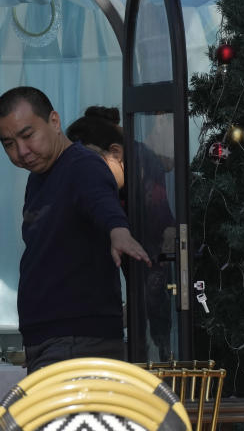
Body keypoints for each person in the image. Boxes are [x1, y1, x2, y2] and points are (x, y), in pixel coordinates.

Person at [0, 87, 151, 372]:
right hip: (50, 338)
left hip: (78, 341)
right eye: (8, 144)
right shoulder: (38, 177)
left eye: (28, 136)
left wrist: (118, 230)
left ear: (54, 121)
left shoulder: (83, 164)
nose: (21, 152)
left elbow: (101, 201)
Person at [66, 106, 177, 361]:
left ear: (116, 153)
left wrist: (134, 311)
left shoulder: (142, 170)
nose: (82, 173)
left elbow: (155, 253)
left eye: (89, 162)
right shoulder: (109, 183)